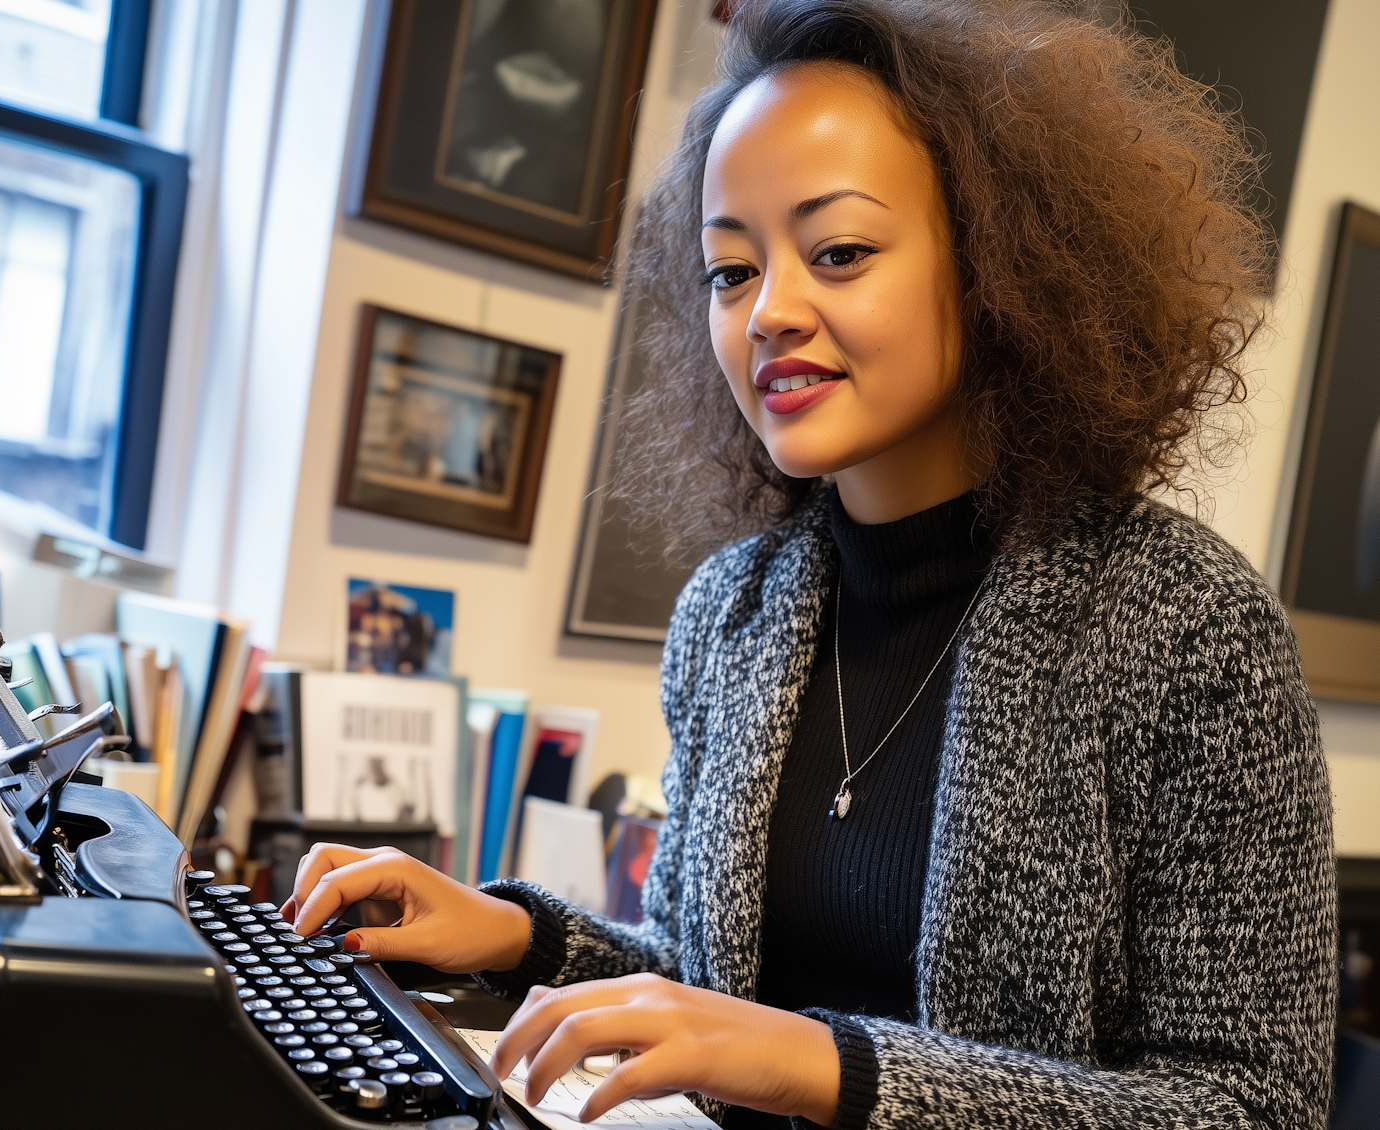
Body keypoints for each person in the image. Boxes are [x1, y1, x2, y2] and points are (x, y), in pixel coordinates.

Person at [284, 2, 1337, 1126]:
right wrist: (522, 934)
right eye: (730, 272)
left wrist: (832, 1067)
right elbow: (710, 993)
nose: (770, 313)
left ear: (999, 263)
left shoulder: (1187, 626)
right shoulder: (732, 612)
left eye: (838, 252)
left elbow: (1251, 1102)